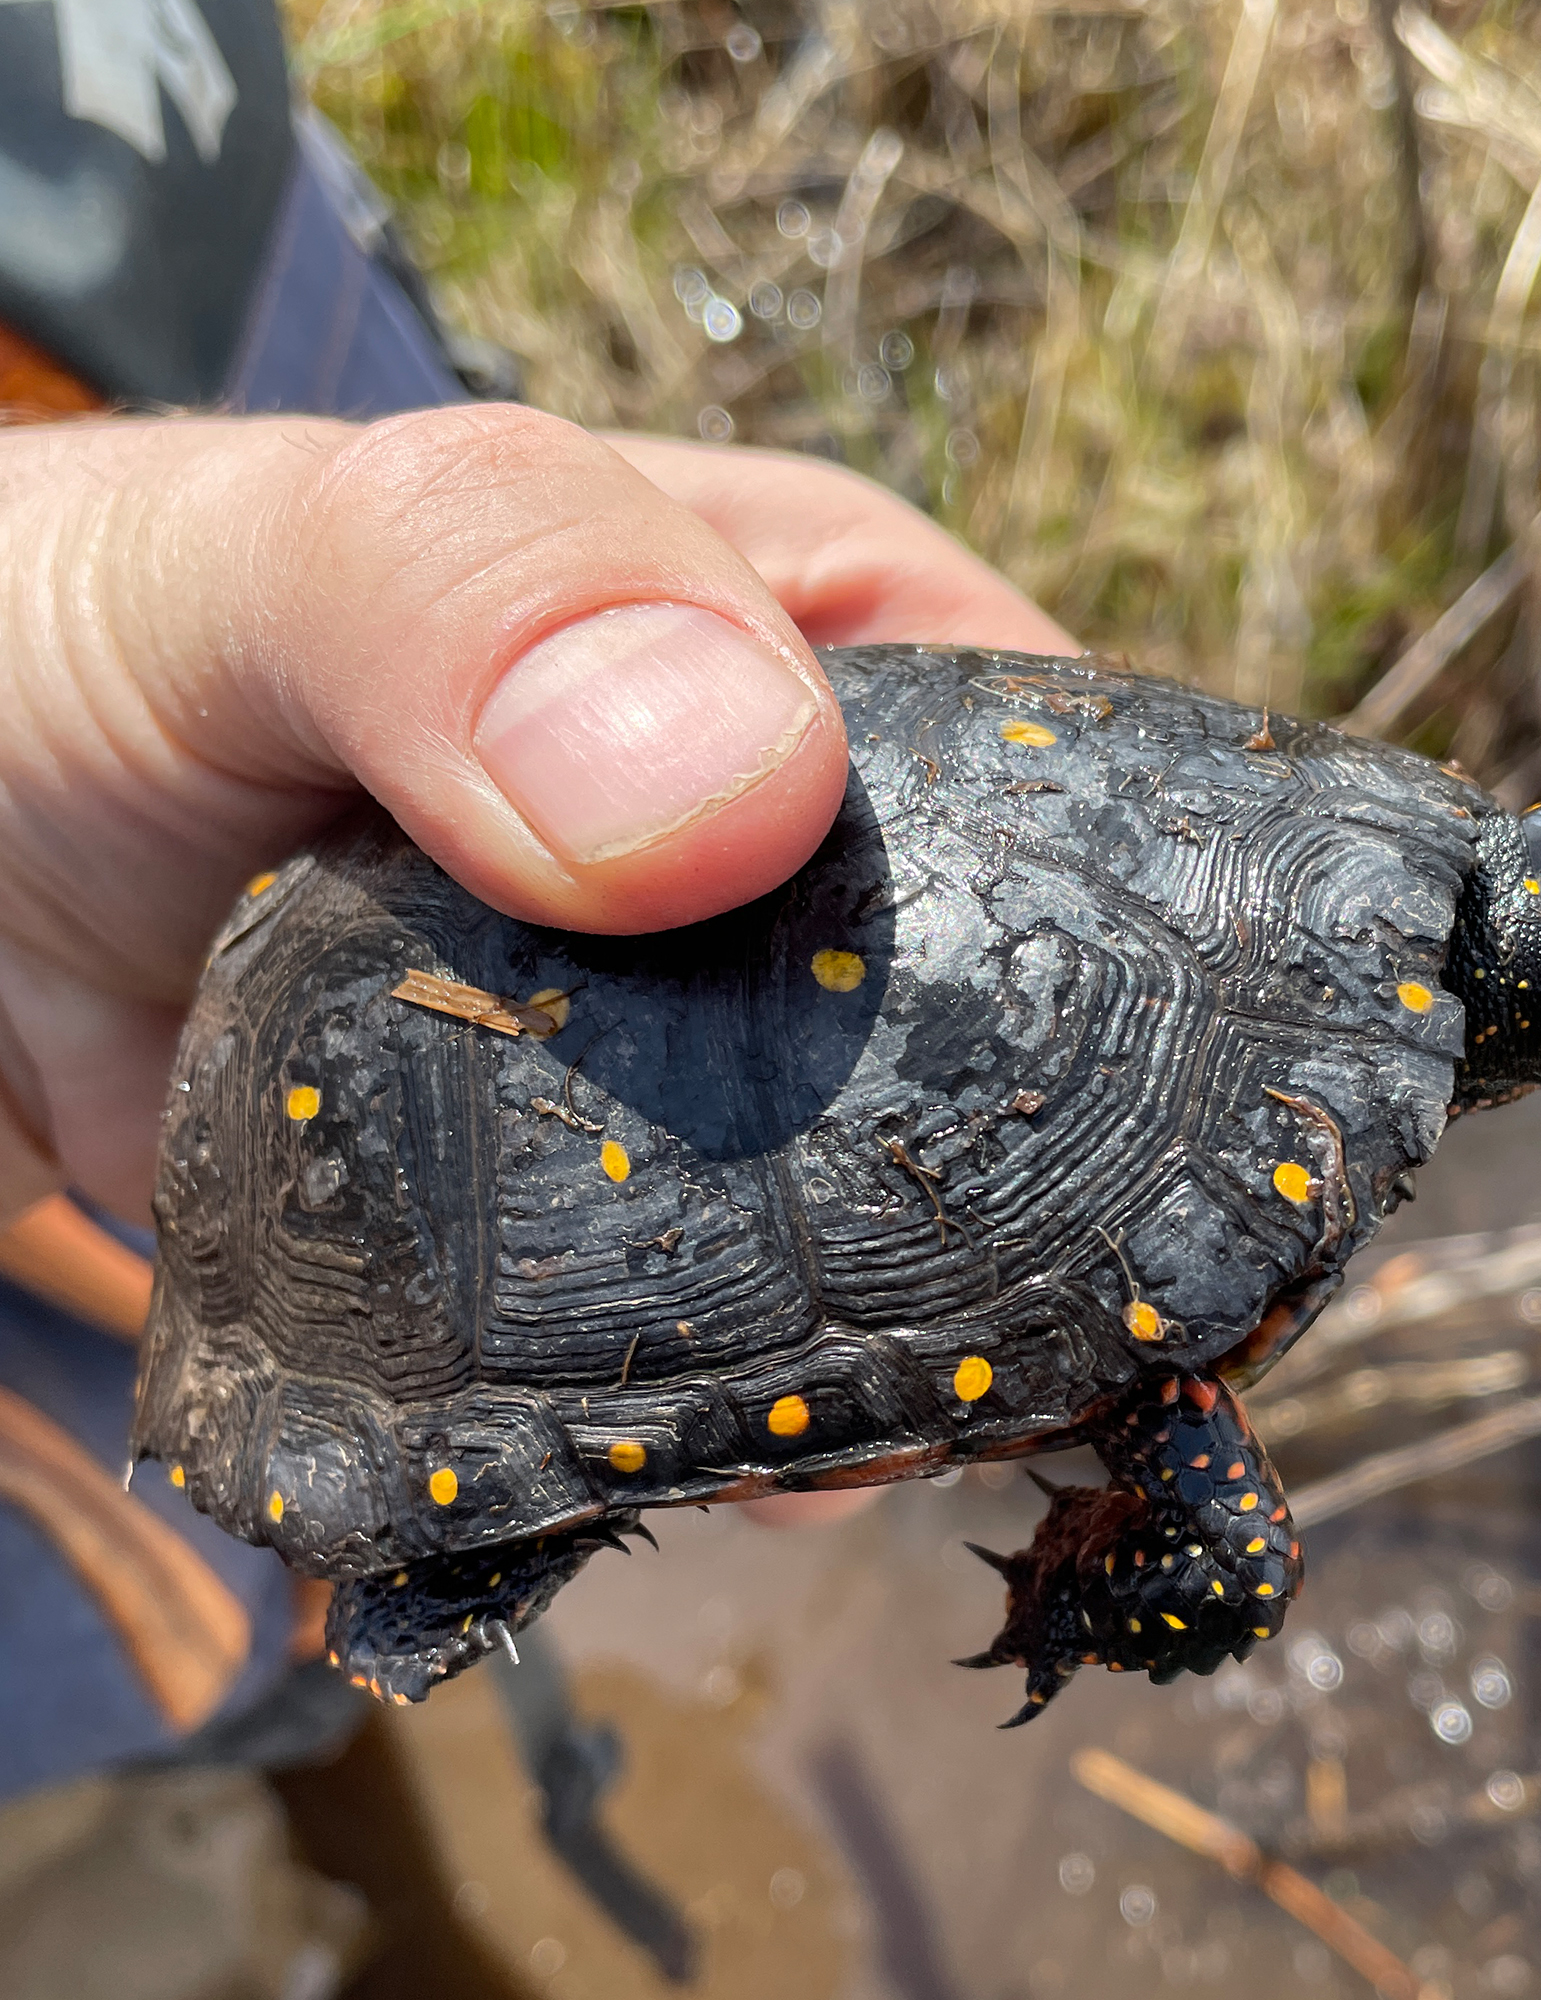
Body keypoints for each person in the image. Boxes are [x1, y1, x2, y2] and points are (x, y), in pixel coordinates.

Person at [0, 0, 1072, 1799]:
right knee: (177, 1625)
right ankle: (276, 1705)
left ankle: (330, 1657)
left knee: (333, 1573)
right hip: (170, 282)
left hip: (181, 216)